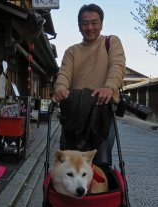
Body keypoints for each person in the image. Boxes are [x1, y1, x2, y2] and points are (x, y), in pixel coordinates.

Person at [52, 4, 126, 165]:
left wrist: (110, 86)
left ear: (101, 24)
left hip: (104, 112)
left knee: (101, 163)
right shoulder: (72, 51)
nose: (90, 27)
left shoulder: (111, 42)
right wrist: (60, 89)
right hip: (75, 114)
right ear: (79, 26)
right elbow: (63, 74)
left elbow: (118, 66)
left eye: (94, 22)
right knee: (71, 165)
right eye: (85, 23)